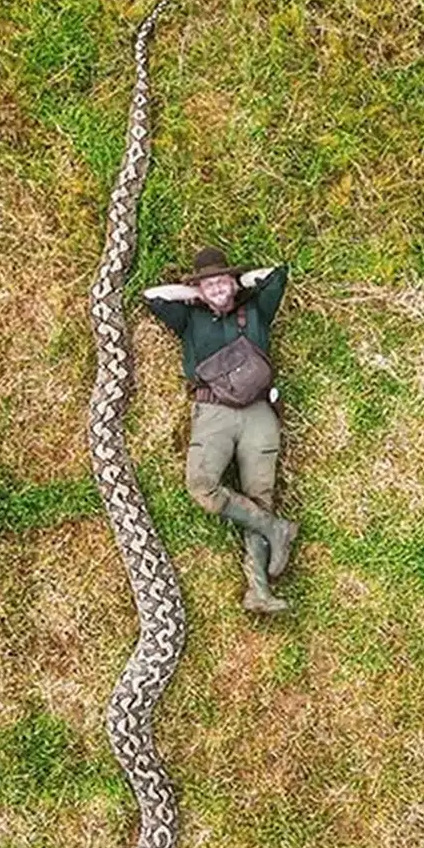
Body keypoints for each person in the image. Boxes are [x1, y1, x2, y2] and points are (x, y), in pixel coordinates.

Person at [142, 247, 300, 614]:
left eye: (221, 280)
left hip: (260, 411)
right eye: (208, 283)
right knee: (202, 486)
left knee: (259, 496)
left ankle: (258, 591)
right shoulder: (189, 319)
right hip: (213, 411)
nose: (216, 288)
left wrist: (238, 284)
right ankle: (276, 529)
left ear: (233, 281)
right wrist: (197, 291)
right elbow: (152, 296)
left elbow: (277, 272)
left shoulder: (257, 309)